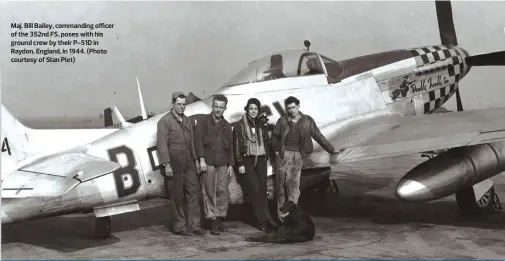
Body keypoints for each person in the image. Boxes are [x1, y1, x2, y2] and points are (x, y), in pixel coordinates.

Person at [271, 96, 343, 221]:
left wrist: (331, 150)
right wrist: (276, 151)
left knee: (293, 186)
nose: (291, 110)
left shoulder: (307, 121)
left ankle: (292, 217)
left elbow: (318, 136)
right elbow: (274, 137)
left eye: (293, 107)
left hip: (297, 156)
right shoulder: (282, 121)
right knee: (281, 187)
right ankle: (281, 219)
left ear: (298, 106)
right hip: (283, 156)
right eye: (288, 108)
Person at [156, 91, 207, 236]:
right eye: (179, 104)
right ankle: (180, 227)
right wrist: (166, 164)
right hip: (174, 162)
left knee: (193, 193)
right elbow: (162, 145)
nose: (182, 107)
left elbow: (191, 142)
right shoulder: (165, 122)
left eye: (184, 105)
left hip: (189, 162)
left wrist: (196, 160)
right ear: (173, 104)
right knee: (177, 196)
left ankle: (195, 225)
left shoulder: (187, 121)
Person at [233, 98, 278, 232]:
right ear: (247, 109)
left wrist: (273, 158)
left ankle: (267, 218)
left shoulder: (261, 124)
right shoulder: (239, 125)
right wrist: (239, 162)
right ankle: (263, 220)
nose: (253, 111)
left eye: (256, 109)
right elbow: (236, 145)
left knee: (263, 190)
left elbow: (267, 141)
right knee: (255, 190)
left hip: (261, 159)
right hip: (248, 160)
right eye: (251, 108)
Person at [194, 94, 235, 235]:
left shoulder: (227, 126)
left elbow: (230, 146)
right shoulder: (203, 122)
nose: (218, 110)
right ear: (212, 106)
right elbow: (198, 141)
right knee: (209, 191)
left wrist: (231, 164)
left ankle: (220, 218)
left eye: (221, 107)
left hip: (223, 162)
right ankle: (212, 220)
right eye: (216, 106)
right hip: (209, 162)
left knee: (223, 191)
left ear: (225, 109)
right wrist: (201, 159)